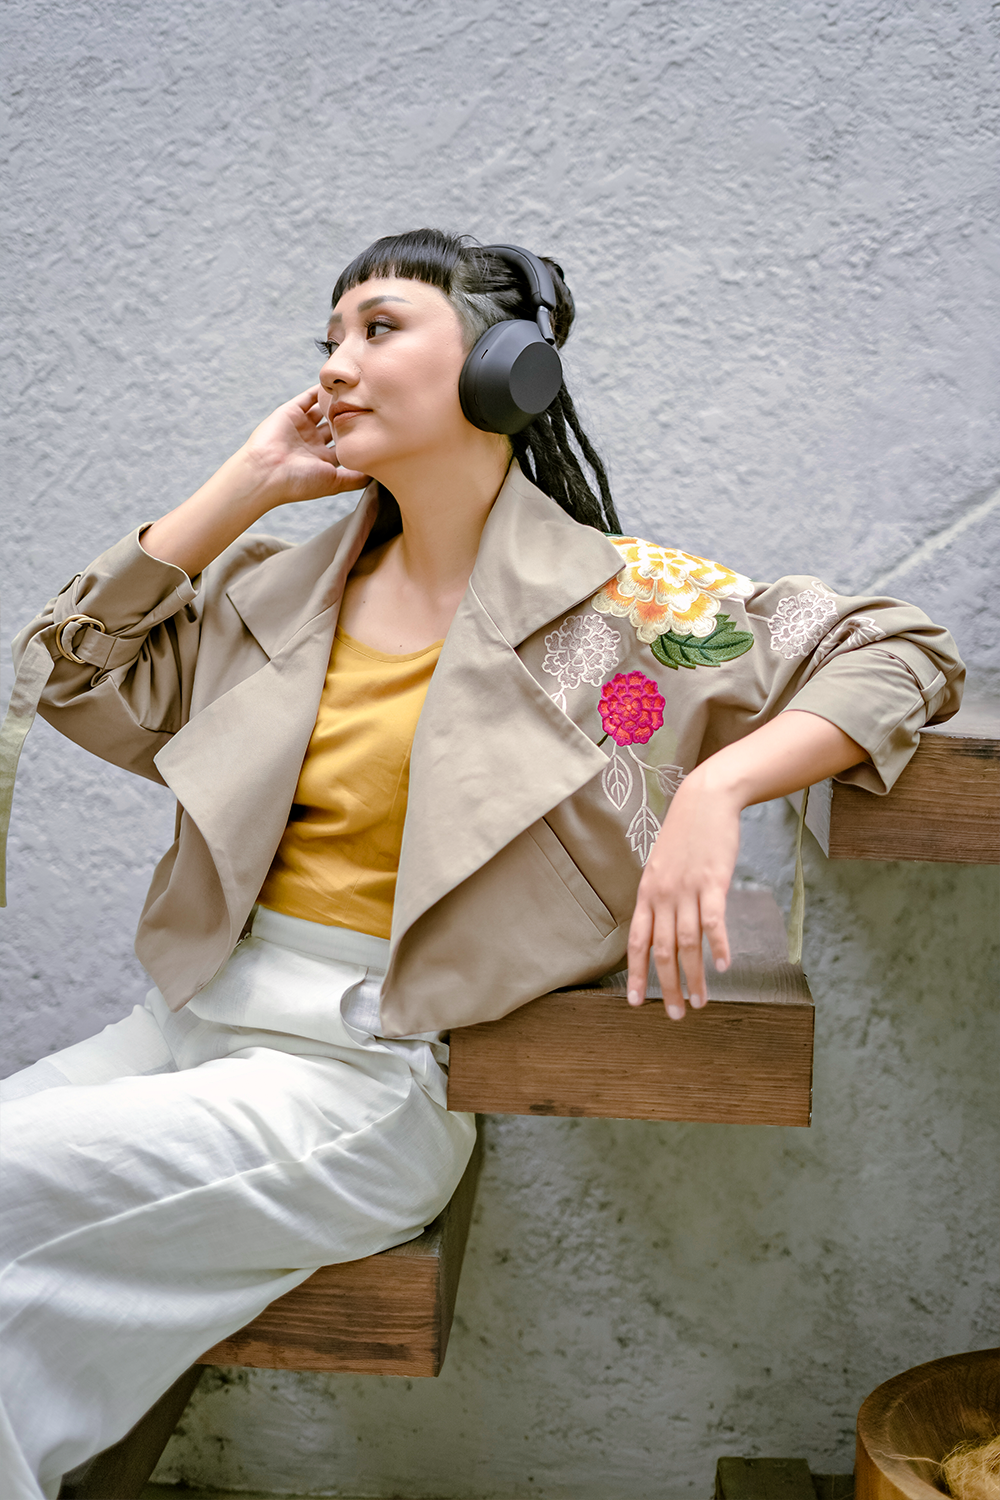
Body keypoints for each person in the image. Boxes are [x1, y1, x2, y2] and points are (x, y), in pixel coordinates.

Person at [0, 229, 963, 1498]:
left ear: (507, 368)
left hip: (362, 1084)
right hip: (181, 1030)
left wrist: (720, 786)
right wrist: (240, 485)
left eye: (379, 329)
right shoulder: (272, 591)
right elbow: (69, 676)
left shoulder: (623, 615)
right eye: (327, 340)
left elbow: (896, 647)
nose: (337, 366)